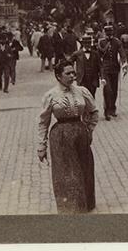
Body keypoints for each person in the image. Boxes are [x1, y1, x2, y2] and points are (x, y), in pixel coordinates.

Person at [37, 59, 99, 214]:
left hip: (80, 132)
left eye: (73, 72)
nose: (73, 76)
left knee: (85, 168)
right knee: (66, 172)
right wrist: (41, 146)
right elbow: (43, 122)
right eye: (68, 73)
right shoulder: (50, 95)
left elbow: (94, 111)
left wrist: (89, 130)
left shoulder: (82, 91)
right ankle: (70, 207)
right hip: (60, 136)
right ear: (58, 76)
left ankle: (86, 203)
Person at [98, 25, 128, 120]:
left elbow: (122, 53)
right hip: (105, 69)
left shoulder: (117, 42)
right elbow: (99, 57)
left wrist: (124, 63)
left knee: (114, 90)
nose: (109, 34)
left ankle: (112, 109)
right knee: (108, 90)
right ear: (105, 33)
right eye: (107, 33)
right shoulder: (101, 42)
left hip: (115, 68)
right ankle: (106, 111)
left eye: (110, 33)